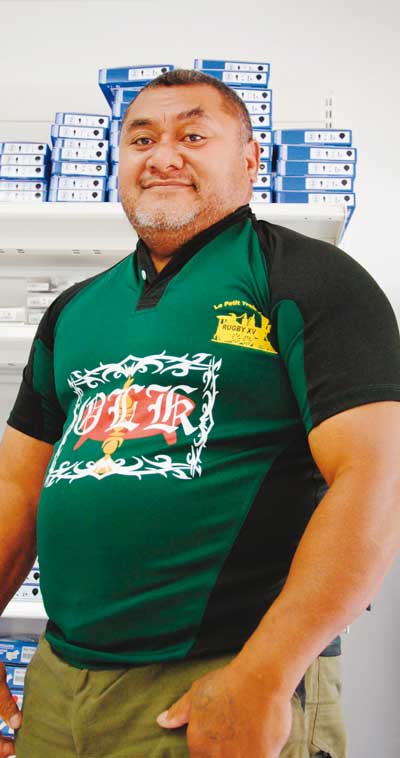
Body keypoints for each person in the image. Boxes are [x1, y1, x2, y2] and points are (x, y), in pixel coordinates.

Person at [0, 68, 399, 758]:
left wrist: (265, 674)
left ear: (249, 160)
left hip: (222, 677)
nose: (162, 156)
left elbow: (375, 477)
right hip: (60, 685)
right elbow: (17, 487)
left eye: (192, 136)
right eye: (141, 139)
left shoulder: (309, 277)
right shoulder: (74, 310)